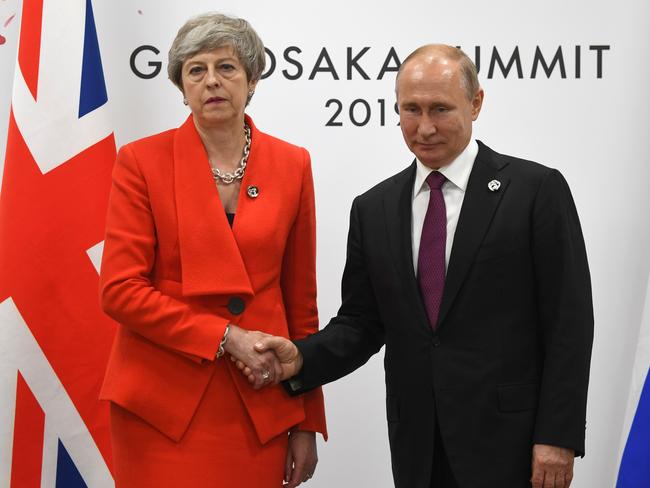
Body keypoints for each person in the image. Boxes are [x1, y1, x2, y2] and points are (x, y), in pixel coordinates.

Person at [241, 44, 594, 488]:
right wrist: (301, 359)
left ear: (477, 102)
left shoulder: (535, 191)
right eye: (410, 109)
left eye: (440, 109)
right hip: (418, 446)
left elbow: (569, 323)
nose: (424, 127)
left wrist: (557, 435)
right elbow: (362, 323)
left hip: (514, 444)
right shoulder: (374, 208)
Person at [98, 12, 326, 488]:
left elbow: (301, 302)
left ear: (252, 79)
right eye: (195, 70)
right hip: (160, 405)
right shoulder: (140, 162)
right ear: (181, 87)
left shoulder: (293, 163)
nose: (212, 81)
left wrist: (306, 418)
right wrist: (225, 336)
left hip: (259, 399)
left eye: (226, 67)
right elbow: (119, 290)